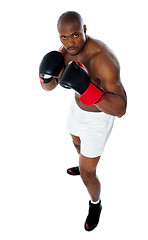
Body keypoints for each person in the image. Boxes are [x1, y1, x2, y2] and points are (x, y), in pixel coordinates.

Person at [39, 11, 127, 231]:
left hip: (98, 119)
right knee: (76, 142)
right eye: (64, 37)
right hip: (76, 110)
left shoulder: (103, 58)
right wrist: (44, 77)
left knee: (88, 173)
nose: (70, 43)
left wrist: (88, 89)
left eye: (76, 35)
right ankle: (82, 162)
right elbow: (49, 87)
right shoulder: (66, 51)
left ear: (85, 30)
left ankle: (95, 204)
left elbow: (121, 108)